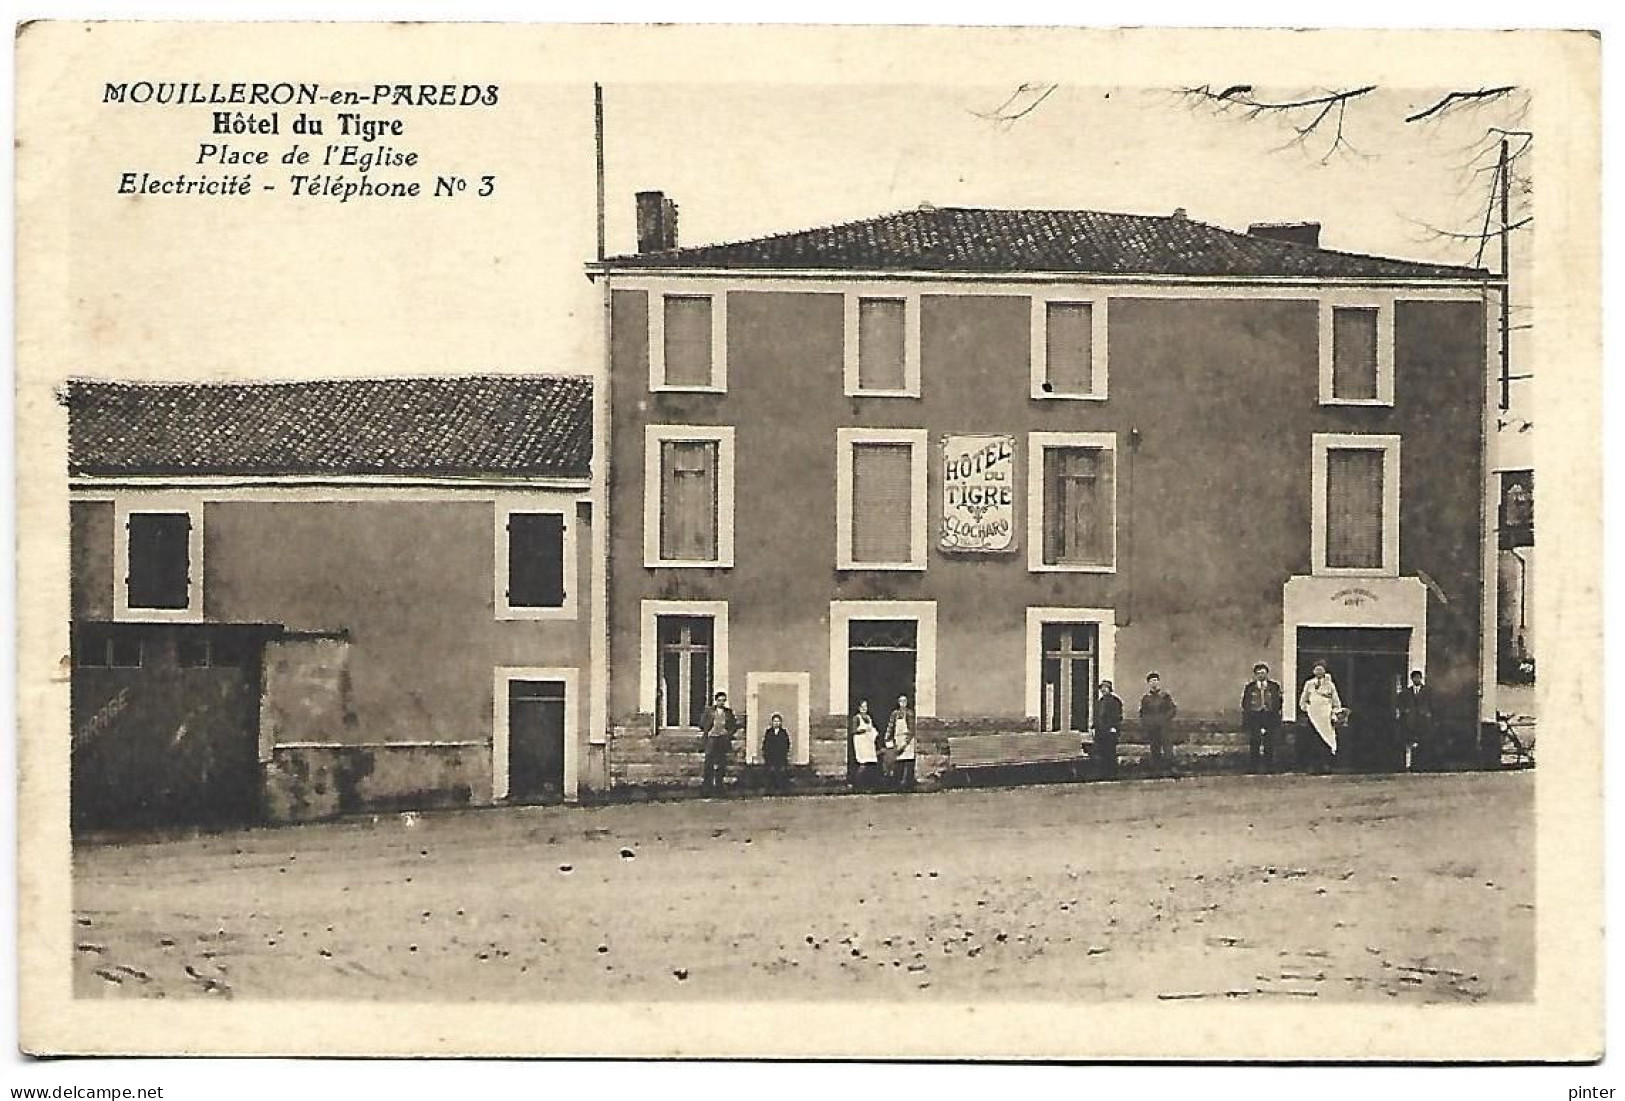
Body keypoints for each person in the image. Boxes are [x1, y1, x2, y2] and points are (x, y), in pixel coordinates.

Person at [1240, 662, 1284, 773]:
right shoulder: (1250, 687)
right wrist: (1251, 713)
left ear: (1267, 673)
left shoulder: (1274, 686)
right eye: (1258, 673)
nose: (1261, 675)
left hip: (1269, 716)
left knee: (1269, 742)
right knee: (1255, 741)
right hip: (1255, 717)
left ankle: (1269, 767)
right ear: (1255, 675)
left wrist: (1273, 710)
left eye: (1263, 672)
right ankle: (1253, 767)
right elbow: (1245, 703)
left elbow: (1279, 701)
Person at [1298, 661, 1342, 773]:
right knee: (1314, 741)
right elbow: (1303, 700)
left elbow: (1336, 701)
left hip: (1325, 716)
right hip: (1313, 716)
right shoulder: (1309, 684)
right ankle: (1313, 766)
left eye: (1321, 669)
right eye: (1316, 669)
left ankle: (1326, 765)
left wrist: (1334, 713)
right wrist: (1307, 709)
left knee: (1326, 740)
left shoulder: (1330, 685)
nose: (1318, 671)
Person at [1139, 672, 1179, 777]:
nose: (1154, 683)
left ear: (1159, 682)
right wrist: (1147, 722)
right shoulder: (1146, 698)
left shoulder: (1165, 696)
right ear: (1148, 683)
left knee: (1167, 748)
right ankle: (1156, 770)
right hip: (1152, 727)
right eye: (1151, 681)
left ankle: (1170, 769)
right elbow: (1143, 713)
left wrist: (1165, 719)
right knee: (1154, 748)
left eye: (1156, 680)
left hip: (1164, 727)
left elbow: (1172, 709)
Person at [698, 690, 738, 793]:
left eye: (723, 701)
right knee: (709, 762)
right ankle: (707, 784)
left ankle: (719, 784)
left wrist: (728, 732)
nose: (721, 702)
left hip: (722, 738)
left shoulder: (728, 712)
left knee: (721, 762)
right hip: (712, 738)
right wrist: (708, 730)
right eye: (719, 700)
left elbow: (734, 725)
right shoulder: (709, 711)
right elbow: (702, 723)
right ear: (716, 700)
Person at [1395, 670, 1434, 772]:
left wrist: (1428, 713)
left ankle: (1422, 766)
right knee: (1410, 743)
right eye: (1414, 678)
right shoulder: (1406, 692)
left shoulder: (1428, 691)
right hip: (1410, 722)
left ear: (1421, 678)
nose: (1416, 679)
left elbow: (1432, 704)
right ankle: (1409, 765)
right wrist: (1405, 711)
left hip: (1424, 722)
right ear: (1412, 679)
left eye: (1418, 677)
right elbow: (1399, 703)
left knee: (1423, 744)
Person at [886, 694, 918, 791]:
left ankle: (907, 784)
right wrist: (888, 738)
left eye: (904, 701)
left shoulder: (909, 713)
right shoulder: (895, 714)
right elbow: (891, 726)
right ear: (898, 702)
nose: (903, 703)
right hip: (898, 738)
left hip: (907, 738)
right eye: (901, 701)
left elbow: (912, 729)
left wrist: (906, 742)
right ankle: (897, 783)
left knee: (908, 761)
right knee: (898, 761)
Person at [1093, 680, 1123, 779]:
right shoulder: (1100, 702)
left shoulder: (1115, 701)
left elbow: (1118, 716)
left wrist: (1114, 727)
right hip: (1101, 731)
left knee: (1110, 752)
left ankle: (1112, 772)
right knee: (1102, 752)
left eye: (1105, 687)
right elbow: (1097, 716)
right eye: (1102, 688)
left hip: (1111, 731)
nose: (1103, 689)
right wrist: (1094, 727)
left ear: (1110, 689)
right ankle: (1103, 773)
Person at [849, 700, 881, 791]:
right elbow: (854, 730)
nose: (864, 709)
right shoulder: (857, 718)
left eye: (865, 707)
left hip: (868, 742)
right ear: (859, 708)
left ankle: (867, 784)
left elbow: (872, 728)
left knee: (870, 763)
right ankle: (856, 783)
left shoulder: (868, 718)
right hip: (860, 742)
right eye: (862, 707)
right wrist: (864, 730)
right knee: (863, 763)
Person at [761, 712, 792, 792]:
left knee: (780, 773)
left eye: (778, 721)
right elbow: (766, 744)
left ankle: (780, 788)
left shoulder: (783, 732)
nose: (776, 723)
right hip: (771, 756)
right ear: (772, 722)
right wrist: (766, 754)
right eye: (775, 721)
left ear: (781, 722)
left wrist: (784, 753)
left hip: (780, 756)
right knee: (770, 772)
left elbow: (786, 744)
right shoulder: (769, 732)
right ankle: (770, 789)